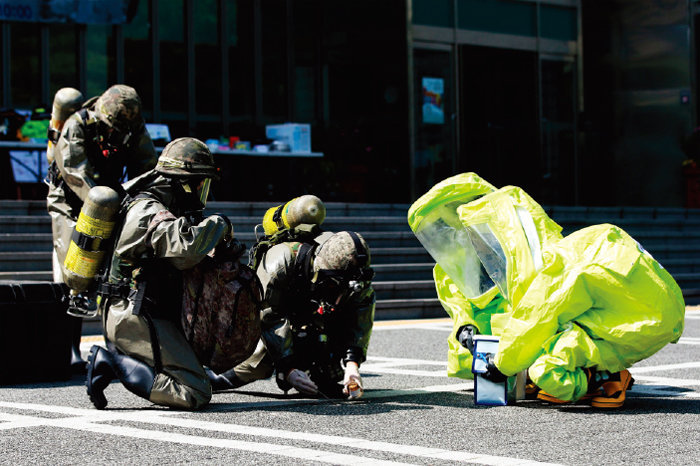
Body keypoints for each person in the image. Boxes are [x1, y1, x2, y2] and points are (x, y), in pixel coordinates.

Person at [408, 173, 685, 408]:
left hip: (639, 319)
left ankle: (601, 376)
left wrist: (502, 364)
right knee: (469, 356)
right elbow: (462, 303)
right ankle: (537, 368)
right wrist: (465, 330)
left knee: (547, 371)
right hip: (632, 302)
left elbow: (538, 315)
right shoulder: (461, 264)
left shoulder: (551, 265)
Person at [85, 137, 232, 410]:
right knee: (194, 391)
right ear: (182, 182)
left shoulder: (163, 204)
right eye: (201, 183)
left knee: (196, 371)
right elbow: (185, 248)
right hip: (130, 311)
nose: (202, 191)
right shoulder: (148, 209)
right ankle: (110, 362)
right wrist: (219, 224)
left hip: (146, 305)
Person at [45, 84, 157, 371]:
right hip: (70, 199)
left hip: (109, 198)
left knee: (115, 270)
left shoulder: (132, 126)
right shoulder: (77, 124)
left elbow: (146, 166)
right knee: (74, 266)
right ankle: (70, 348)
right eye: (112, 127)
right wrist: (103, 205)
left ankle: (118, 346)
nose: (115, 132)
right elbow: (74, 173)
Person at [207, 227, 375, 399]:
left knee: (330, 367)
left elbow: (360, 318)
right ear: (320, 269)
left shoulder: (354, 275)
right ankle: (216, 377)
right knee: (260, 362)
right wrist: (288, 369)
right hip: (260, 317)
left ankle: (318, 373)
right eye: (333, 285)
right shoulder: (281, 263)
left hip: (308, 316)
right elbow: (268, 317)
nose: (338, 294)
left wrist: (352, 365)